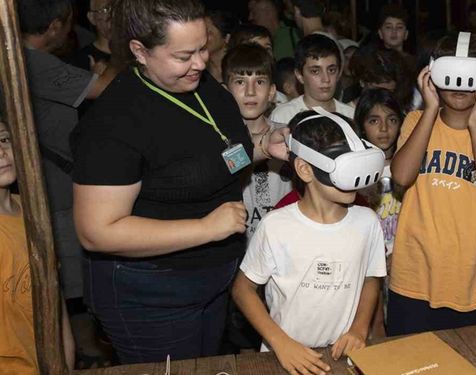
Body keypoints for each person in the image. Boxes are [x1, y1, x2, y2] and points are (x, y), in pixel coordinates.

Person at [71, 0, 288, 363]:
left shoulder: (203, 87)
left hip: (211, 280)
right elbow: (97, 231)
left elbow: (218, 155)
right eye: (184, 55)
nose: (201, 63)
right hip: (151, 293)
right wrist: (206, 228)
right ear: (140, 51)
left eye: (203, 48)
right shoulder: (114, 122)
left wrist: (262, 147)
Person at [232, 110, 386, 375]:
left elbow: (371, 277)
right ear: (304, 169)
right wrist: (280, 343)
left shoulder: (368, 222)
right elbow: (243, 290)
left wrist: (359, 329)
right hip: (285, 356)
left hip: (341, 354)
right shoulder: (276, 226)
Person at [388, 33, 476, 334]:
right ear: (432, 74)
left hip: (466, 279)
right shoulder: (414, 122)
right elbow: (402, 176)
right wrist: (430, 110)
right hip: (412, 276)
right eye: (450, 74)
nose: (459, 85)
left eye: (469, 75)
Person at [18, 0, 118, 304]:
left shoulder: (20, 58)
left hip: (47, 183)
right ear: (53, 27)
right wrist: (118, 48)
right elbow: (104, 87)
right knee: (71, 289)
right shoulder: (35, 62)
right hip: (55, 190)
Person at [0, 118, 75, 374]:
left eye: (3, 139)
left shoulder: (34, 212)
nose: (1, 152)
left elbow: (53, 295)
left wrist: (64, 360)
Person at [222, 44, 292, 238]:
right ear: (225, 91)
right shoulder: (217, 139)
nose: (250, 91)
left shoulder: (287, 133)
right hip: (235, 245)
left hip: (284, 241)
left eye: (259, 82)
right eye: (240, 82)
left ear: (271, 92)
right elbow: (226, 164)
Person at [353, 88, 405, 337]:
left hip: (403, 256)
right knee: (371, 326)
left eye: (392, 120)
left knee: (398, 324)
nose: (384, 129)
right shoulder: (354, 170)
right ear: (362, 127)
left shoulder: (408, 164)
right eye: (374, 120)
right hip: (365, 260)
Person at [270, 33, 354, 125]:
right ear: (299, 75)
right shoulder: (284, 116)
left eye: (331, 70)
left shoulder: (350, 115)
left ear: (339, 72)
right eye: (315, 71)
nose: (326, 79)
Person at [71, 0, 112, 72]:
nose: (113, 14)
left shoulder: (133, 53)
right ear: (92, 17)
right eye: (106, 10)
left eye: (118, 8)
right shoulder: (80, 61)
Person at [204, 10, 239, 82]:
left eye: (209, 33)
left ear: (227, 37)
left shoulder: (239, 70)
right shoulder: (198, 71)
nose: (202, 37)